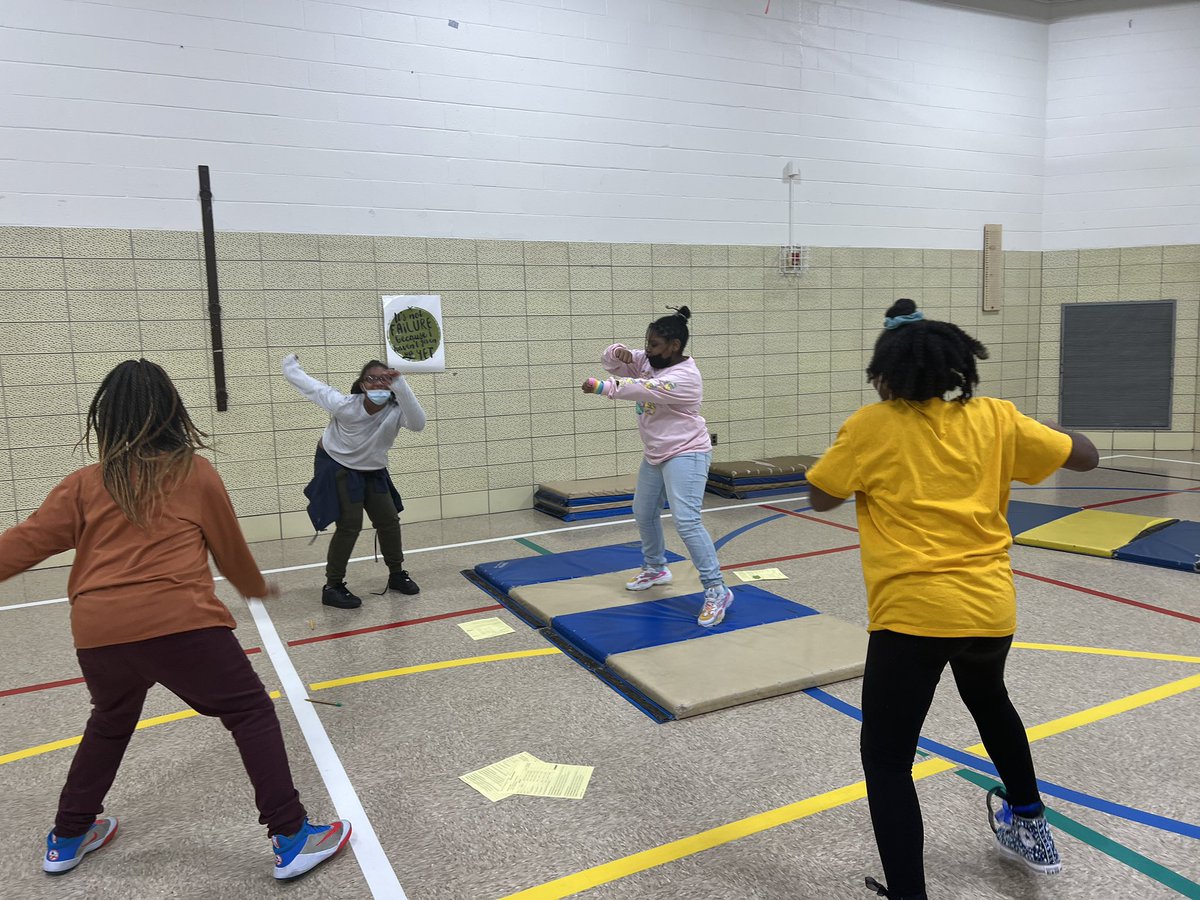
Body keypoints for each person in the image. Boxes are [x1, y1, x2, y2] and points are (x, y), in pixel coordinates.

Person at [0, 359, 350, 881]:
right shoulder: (195, 472)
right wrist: (256, 588)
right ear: (171, 412)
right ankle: (292, 835)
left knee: (110, 722)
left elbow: (22, 544)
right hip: (180, 624)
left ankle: (68, 836)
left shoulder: (83, 484)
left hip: (98, 633)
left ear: (107, 418)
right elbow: (228, 551)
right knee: (250, 711)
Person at [804, 299, 1099, 899]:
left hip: (912, 615)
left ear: (885, 375)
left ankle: (910, 895)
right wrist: (1048, 434)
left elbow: (820, 497)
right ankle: (1032, 825)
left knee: (887, 759)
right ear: (957, 369)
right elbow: (1085, 456)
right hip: (990, 610)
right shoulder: (996, 417)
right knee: (990, 702)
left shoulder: (870, 427)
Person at [580, 306, 735, 627]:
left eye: (653, 345)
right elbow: (612, 361)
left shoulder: (684, 377)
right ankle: (656, 567)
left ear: (674, 346)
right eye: (646, 344)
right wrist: (617, 352)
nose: (646, 350)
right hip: (656, 452)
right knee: (643, 510)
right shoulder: (651, 361)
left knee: (687, 521)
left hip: (687, 453)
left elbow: (641, 389)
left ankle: (717, 589)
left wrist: (602, 387)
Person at [282, 354, 426, 609]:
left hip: (372, 468)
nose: (378, 384)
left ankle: (396, 574)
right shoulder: (345, 405)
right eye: (372, 379)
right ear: (362, 385)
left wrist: (402, 384)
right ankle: (333, 586)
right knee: (350, 524)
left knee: (388, 519)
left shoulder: (396, 410)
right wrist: (290, 366)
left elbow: (418, 424)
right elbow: (312, 387)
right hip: (337, 463)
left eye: (385, 379)